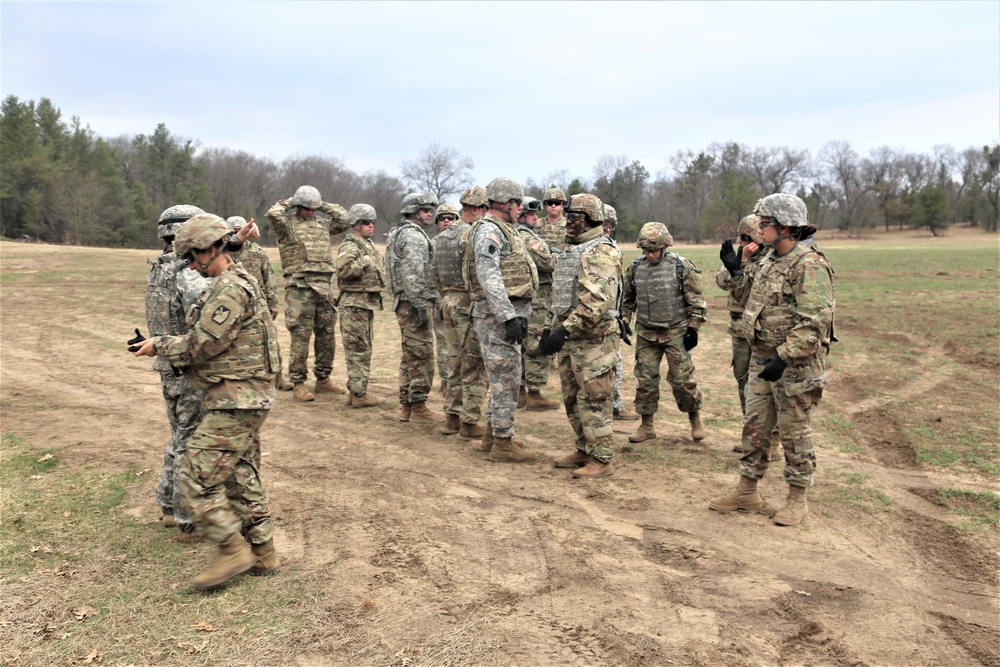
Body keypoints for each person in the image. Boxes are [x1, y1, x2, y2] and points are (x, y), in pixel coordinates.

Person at [131, 213, 281, 590]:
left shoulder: (229, 289)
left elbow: (202, 343)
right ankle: (264, 553)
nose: (192, 265)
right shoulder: (236, 277)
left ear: (211, 249)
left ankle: (233, 552)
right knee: (240, 473)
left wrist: (158, 346)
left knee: (196, 476)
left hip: (238, 398)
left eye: (194, 256)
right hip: (241, 395)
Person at [709, 194, 836, 526]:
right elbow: (746, 297)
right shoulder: (766, 260)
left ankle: (797, 499)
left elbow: (815, 322)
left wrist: (784, 356)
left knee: (794, 433)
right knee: (755, 427)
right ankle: (747, 491)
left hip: (795, 367)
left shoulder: (808, 264)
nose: (760, 230)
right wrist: (736, 271)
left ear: (785, 227)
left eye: (765, 224)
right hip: (762, 358)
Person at [542, 193, 623, 478]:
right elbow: (561, 294)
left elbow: (597, 303)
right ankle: (584, 449)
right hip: (570, 338)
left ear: (590, 219)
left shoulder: (600, 251)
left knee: (594, 399)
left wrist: (564, 330)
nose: (567, 223)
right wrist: (550, 328)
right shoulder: (572, 250)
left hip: (593, 341)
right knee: (572, 398)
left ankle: (602, 459)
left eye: (573, 218)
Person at [145, 204, 210, 542]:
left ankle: (169, 507)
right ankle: (189, 519)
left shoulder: (158, 269)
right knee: (192, 442)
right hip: (189, 370)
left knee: (179, 438)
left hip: (167, 368)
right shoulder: (188, 274)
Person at [467, 177, 539, 462]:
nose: (521, 208)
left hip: (505, 313)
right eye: (518, 203)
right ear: (506, 203)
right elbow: (488, 273)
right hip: (498, 316)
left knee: (505, 376)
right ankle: (502, 443)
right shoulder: (489, 231)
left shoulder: (502, 229)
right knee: (505, 379)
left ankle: (491, 434)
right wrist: (507, 315)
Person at [622, 222, 708, 445]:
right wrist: (624, 320)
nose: (650, 255)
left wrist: (693, 329)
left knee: (682, 380)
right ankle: (647, 425)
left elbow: (696, 301)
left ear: (664, 247)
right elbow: (627, 299)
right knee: (645, 380)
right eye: (646, 251)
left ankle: (695, 419)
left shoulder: (681, 267)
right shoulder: (635, 268)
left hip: (675, 332)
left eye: (654, 250)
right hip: (646, 333)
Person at [265, 185, 350, 402]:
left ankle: (323, 379)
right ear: (298, 207)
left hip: (324, 286)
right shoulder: (287, 225)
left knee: (326, 335)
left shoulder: (322, 224)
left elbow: (345, 219)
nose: (311, 212)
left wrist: (321, 204)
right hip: (300, 288)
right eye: (307, 208)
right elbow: (273, 213)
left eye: (314, 209)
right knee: (301, 336)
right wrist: (292, 200)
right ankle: (298, 383)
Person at [716, 213, 778, 456]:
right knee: (744, 382)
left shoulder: (770, 262)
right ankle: (752, 435)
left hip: (763, 331)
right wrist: (738, 261)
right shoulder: (741, 258)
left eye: (744, 237)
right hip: (740, 331)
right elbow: (721, 281)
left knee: (769, 387)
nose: (739, 241)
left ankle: (774, 440)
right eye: (739, 237)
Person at [385, 192, 444, 423]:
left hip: (406, 302)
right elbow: (413, 276)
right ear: (413, 211)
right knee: (422, 355)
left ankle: (407, 406)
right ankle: (418, 405)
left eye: (431, 210)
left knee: (410, 355)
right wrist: (422, 305)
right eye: (426, 210)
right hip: (413, 303)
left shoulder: (398, 232)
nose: (430, 214)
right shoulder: (414, 237)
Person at [227, 216, 293, 392]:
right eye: (233, 232)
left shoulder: (257, 251)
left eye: (240, 231)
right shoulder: (224, 253)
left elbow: (268, 278)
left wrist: (273, 303)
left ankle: (278, 377)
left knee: (271, 342)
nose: (237, 234)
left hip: (259, 305)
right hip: (233, 305)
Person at [335, 204, 386, 408]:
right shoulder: (351, 246)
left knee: (362, 348)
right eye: (366, 222)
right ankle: (359, 394)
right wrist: (364, 261)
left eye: (372, 222)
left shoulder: (367, 244)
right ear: (355, 224)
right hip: (354, 304)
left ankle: (356, 391)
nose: (371, 225)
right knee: (358, 350)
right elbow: (344, 271)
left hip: (364, 304)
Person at [512, 196, 561, 411]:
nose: (536, 217)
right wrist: (559, 255)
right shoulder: (526, 236)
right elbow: (547, 262)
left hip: (523, 297)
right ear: (521, 216)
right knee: (537, 342)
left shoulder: (512, 234)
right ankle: (535, 393)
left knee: (522, 343)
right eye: (531, 214)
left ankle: (522, 392)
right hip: (538, 297)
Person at [602, 204, 639, 422]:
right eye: (603, 226)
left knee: (614, 363)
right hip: (601, 317)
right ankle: (613, 407)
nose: (607, 230)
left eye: (610, 227)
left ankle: (614, 405)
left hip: (611, 315)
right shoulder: (596, 249)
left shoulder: (611, 246)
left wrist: (621, 318)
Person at [430, 204, 457, 396]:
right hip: (441, 300)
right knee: (443, 344)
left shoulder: (463, 241)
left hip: (462, 302)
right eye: (442, 218)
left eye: (450, 217)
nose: (446, 221)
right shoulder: (432, 244)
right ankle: (447, 381)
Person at [535, 186, 568, 257]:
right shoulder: (536, 224)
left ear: (562, 205)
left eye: (557, 203)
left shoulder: (570, 225)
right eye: (550, 203)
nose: (553, 206)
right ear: (545, 205)